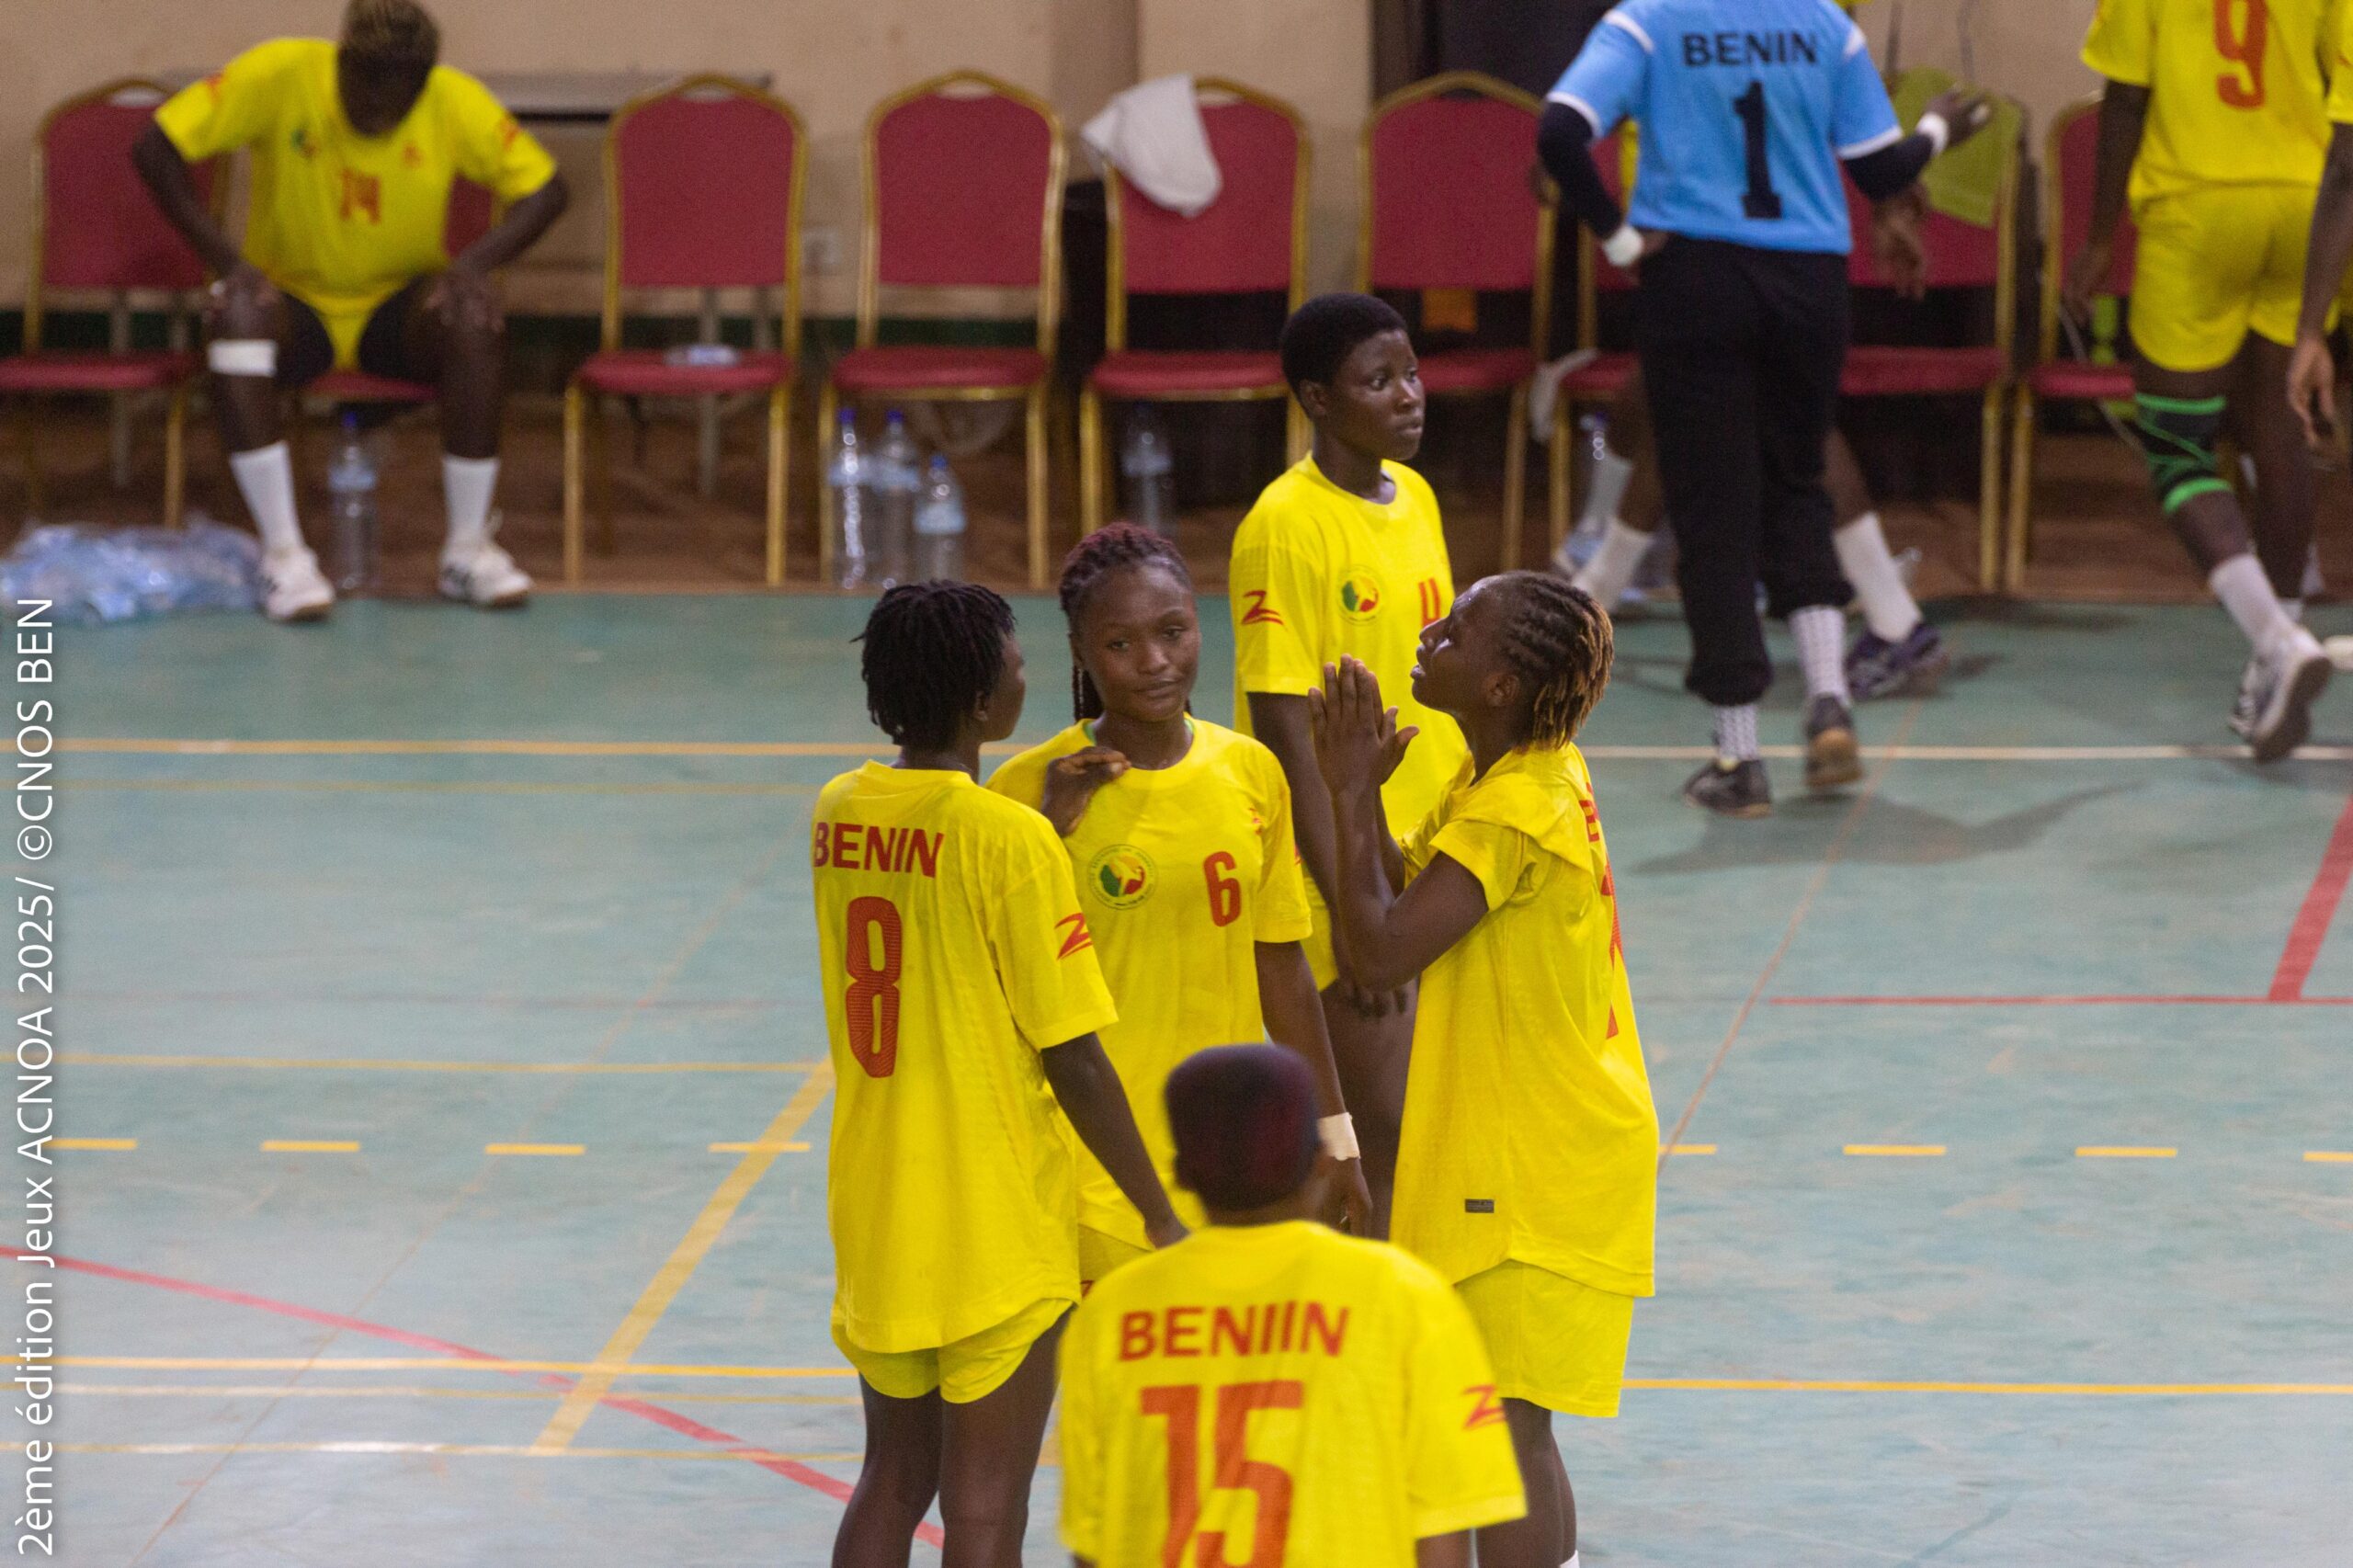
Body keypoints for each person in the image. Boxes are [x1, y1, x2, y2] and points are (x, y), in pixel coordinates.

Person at [1539, 0, 1988, 814]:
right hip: (1809, 285)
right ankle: (1828, 701)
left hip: (1697, 278)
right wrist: (1940, 128)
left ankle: (1738, 758)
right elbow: (1884, 173)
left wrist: (1620, 239)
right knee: (1799, 484)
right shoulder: (1823, 25)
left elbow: (1560, 133)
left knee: (1713, 514)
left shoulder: (1647, 22)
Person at [813, 581, 1184, 1566]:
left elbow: (941, 891)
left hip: (879, 1202)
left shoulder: (838, 812)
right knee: (986, 1503)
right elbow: (1072, 1051)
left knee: (893, 1475)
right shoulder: (1006, 838)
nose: (1029, 672)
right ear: (986, 703)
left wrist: (1043, 830)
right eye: (1017, 663)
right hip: (991, 1214)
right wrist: (1156, 1207)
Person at [1309, 573, 1653, 1568]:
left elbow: (1375, 955)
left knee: (1501, 1430)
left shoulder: (1516, 810)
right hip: (1515, 1145)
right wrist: (1366, 794)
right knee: (1480, 1422)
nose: (1428, 630)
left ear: (1501, 683)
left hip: (1533, 1159)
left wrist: (1338, 788)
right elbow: (1392, 896)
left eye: (1456, 630)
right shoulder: (1513, 774)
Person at [989, 526, 1372, 1286]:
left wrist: (1338, 1138)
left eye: (1172, 632)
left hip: (1229, 1166)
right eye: (1121, 644)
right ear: (1080, 652)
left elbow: (1283, 971)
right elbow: (993, 986)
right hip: (1087, 1180)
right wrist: (1042, 831)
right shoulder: (1024, 792)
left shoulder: (1252, 773)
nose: (1156, 662)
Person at [133, 0, 567, 622]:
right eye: (361, 95)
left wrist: (474, 265)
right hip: (294, 304)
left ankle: (468, 549)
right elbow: (155, 149)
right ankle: (285, 558)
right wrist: (226, 262)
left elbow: (548, 191)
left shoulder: (453, 99)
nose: (373, 115)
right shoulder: (279, 73)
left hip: (396, 309)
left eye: (393, 106)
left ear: (421, 89)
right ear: (339, 63)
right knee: (236, 322)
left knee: (473, 318)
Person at [1057, 1043, 1528, 1568]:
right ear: (1321, 1160)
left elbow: (1093, 1545)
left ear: (1183, 1173)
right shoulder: (1405, 1298)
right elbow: (1443, 1530)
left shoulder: (1111, 1314)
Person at [1230, 293, 1468, 1234]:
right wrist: (1353, 914)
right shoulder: (1282, 528)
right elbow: (1286, 733)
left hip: (1431, 860)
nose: (1409, 396)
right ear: (1319, 401)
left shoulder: (1415, 496)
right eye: (1379, 381)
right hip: (1351, 878)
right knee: (1378, 1142)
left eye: (1410, 372)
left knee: (1438, 1132)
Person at [2069, 0, 2335, 759]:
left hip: (2198, 206)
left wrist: (2097, 236)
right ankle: (2271, 663)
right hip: (2302, 201)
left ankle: (2275, 639)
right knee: (2278, 433)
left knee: (2175, 448)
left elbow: (2124, 98)